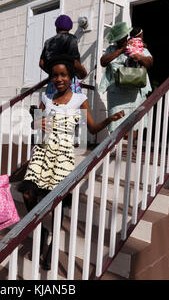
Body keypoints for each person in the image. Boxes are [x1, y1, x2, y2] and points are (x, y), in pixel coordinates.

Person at [19, 54, 124, 270]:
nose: (59, 79)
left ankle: (51, 247)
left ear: (71, 77)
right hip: (42, 152)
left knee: (57, 206)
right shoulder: (46, 99)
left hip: (63, 156)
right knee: (28, 194)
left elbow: (93, 129)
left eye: (63, 75)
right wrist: (39, 122)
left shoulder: (79, 99)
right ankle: (42, 232)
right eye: (55, 76)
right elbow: (35, 125)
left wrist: (109, 119)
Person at [99, 22, 153, 135]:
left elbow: (150, 62)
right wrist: (121, 50)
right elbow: (103, 62)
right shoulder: (111, 49)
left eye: (124, 37)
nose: (123, 40)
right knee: (115, 119)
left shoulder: (136, 46)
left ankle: (129, 149)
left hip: (134, 93)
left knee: (134, 120)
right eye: (119, 39)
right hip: (116, 93)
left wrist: (139, 57)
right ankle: (114, 147)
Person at [40, 14, 88, 97]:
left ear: (56, 28)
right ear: (69, 28)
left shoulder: (48, 42)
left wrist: (53, 73)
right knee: (75, 106)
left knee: (50, 104)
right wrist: (83, 72)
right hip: (68, 82)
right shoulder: (71, 39)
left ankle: (40, 110)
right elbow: (74, 62)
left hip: (54, 82)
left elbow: (41, 63)